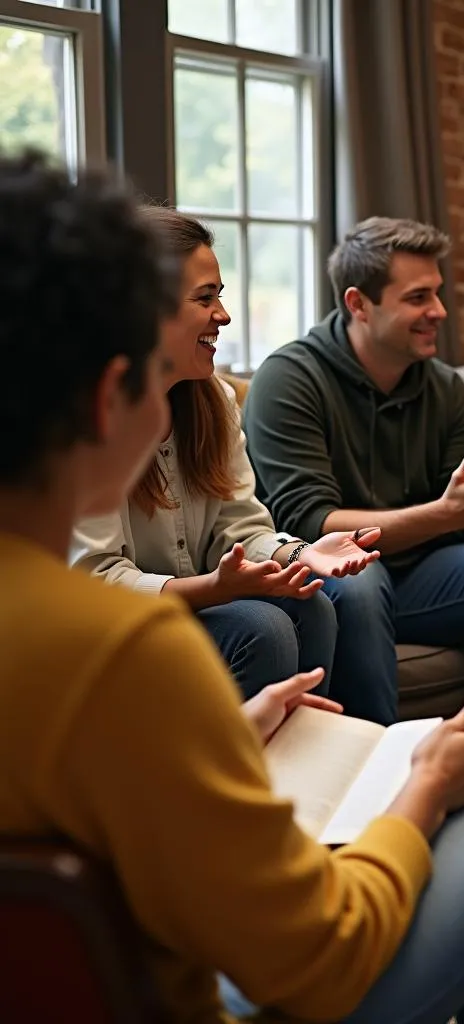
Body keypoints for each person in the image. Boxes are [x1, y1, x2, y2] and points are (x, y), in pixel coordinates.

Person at [0, 150, 464, 1024]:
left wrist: (229, 729)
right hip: (233, 995)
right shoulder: (125, 656)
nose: (221, 318)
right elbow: (320, 959)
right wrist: (423, 789)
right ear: (117, 390)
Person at [243, 215, 464, 777]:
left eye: (439, 293)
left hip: (425, 580)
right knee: (357, 575)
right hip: (332, 579)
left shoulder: (445, 387)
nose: (440, 312)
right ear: (359, 303)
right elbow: (315, 522)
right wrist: (446, 513)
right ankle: (376, 781)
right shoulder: (291, 378)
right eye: (419, 297)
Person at [70, 208, 380, 700]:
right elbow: (95, 581)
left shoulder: (212, 398)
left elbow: (240, 530)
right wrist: (215, 588)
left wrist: (298, 553)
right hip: (107, 629)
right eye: (205, 298)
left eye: (220, 295)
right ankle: (247, 773)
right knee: (261, 626)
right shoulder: (85, 415)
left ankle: (314, 766)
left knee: (315, 604)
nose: (224, 315)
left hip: (192, 604)